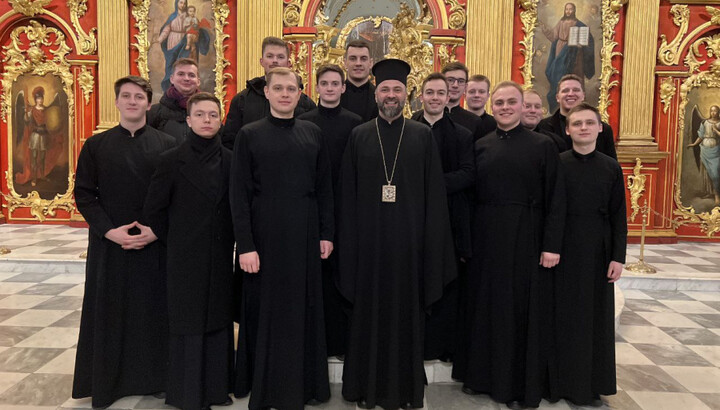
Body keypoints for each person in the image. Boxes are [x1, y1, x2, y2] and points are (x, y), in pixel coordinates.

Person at [338, 59, 456, 409]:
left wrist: (432, 247)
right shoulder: (359, 135)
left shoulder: (421, 136)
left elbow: (435, 196)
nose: (391, 95)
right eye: (386, 89)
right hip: (369, 250)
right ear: (376, 94)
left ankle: (405, 391)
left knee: (407, 319)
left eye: (398, 90)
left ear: (408, 96)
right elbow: (347, 196)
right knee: (368, 318)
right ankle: (365, 389)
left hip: (410, 249)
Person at [453, 81, 565, 410]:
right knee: (486, 306)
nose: (504, 107)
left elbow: (555, 198)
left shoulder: (543, 145)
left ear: (521, 105)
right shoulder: (481, 144)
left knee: (520, 311)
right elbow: (470, 196)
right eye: (499, 102)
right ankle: (481, 377)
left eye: (510, 102)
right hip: (487, 237)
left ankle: (516, 384)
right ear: (491, 105)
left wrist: (551, 245)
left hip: (527, 237)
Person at [231, 67, 333, 410]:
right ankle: (265, 384)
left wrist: (326, 234)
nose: (286, 94)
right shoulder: (249, 134)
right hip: (264, 233)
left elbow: (324, 189)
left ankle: (303, 385)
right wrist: (245, 245)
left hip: (304, 232)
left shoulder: (313, 133)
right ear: (269, 93)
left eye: (292, 88)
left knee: (301, 306)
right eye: (279, 88)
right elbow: (239, 195)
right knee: (265, 308)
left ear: (301, 94)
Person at [72, 76, 176, 408]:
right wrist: (108, 231)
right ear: (116, 102)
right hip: (110, 245)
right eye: (126, 96)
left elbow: (177, 197)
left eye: (139, 97)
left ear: (149, 103)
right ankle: (108, 383)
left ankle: (156, 378)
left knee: (153, 311)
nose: (132, 102)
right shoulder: (96, 146)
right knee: (110, 311)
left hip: (153, 242)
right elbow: (85, 195)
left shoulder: (167, 145)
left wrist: (156, 230)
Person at [143, 92, 234, 410]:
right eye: (201, 115)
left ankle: (216, 389)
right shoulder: (170, 160)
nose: (208, 120)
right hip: (183, 257)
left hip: (220, 254)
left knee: (217, 317)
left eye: (213, 115)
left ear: (220, 120)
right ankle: (186, 393)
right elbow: (154, 210)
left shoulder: (231, 160)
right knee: (188, 321)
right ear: (189, 119)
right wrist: (178, 240)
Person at [549, 103, 626, 406]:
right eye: (576, 123)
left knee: (594, 321)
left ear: (599, 128)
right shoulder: (558, 163)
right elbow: (551, 211)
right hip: (564, 249)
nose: (583, 128)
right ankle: (559, 383)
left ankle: (590, 385)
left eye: (588, 123)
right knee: (564, 317)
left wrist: (618, 257)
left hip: (598, 250)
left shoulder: (611, 167)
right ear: (567, 130)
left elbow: (619, 216)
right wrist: (550, 247)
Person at [298, 64, 363, 358]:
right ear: (317, 87)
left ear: (343, 88)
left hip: (347, 205)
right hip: (311, 206)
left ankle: (342, 340)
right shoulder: (304, 122)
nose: (330, 88)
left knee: (343, 270)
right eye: (324, 83)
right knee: (317, 274)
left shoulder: (356, 123)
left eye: (335, 83)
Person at [411, 72, 474, 363]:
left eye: (441, 93)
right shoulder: (407, 129)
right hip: (412, 218)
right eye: (430, 92)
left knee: (446, 280)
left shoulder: (462, 134)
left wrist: (431, 186)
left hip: (450, 219)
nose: (435, 98)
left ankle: (442, 345)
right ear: (421, 96)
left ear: (450, 96)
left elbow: (467, 173)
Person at [222, 36, 316, 149]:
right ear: (261, 61)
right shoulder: (242, 100)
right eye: (270, 56)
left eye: (280, 57)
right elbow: (230, 143)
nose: (275, 60)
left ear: (288, 62)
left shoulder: (305, 103)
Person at [538, 74, 616, 159]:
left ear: (583, 95)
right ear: (557, 97)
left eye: (576, 90)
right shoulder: (542, 127)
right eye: (565, 90)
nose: (571, 94)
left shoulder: (603, 129)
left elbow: (610, 163)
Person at [541, 2, 595, 112]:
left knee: (575, 74)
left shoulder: (580, 25)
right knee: (559, 74)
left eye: (571, 9)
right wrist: (546, 30)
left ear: (574, 11)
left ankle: (577, 104)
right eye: (567, 9)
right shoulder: (561, 22)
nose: (568, 11)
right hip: (561, 49)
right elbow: (554, 36)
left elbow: (588, 40)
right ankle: (560, 103)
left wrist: (582, 45)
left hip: (576, 54)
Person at [157, 0, 210, 92]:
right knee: (172, 64)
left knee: (187, 64)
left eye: (185, 3)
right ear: (176, 3)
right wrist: (160, 39)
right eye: (181, 2)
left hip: (186, 41)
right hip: (173, 41)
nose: (183, 5)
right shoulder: (173, 17)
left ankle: (189, 89)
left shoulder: (189, 16)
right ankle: (172, 88)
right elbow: (167, 29)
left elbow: (196, 28)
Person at [147, 58, 201, 143]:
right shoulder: (154, 112)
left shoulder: (208, 112)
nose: (186, 78)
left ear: (198, 81)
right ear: (172, 79)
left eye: (191, 75)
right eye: (181, 74)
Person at [441, 62, 487, 141]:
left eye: (461, 81)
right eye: (450, 80)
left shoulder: (475, 121)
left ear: (466, 86)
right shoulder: (421, 117)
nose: (455, 85)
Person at [688, 105, 720, 205]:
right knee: (706, 173)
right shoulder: (705, 122)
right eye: (712, 111)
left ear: (718, 112)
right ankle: (709, 192)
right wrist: (694, 144)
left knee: (715, 174)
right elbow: (701, 136)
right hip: (705, 150)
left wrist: (716, 131)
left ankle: (717, 195)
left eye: (715, 111)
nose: (713, 113)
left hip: (716, 151)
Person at [340, 39, 379, 122]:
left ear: (371, 63)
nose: (358, 63)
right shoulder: (335, 95)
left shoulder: (380, 96)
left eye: (363, 59)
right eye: (353, 58)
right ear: (345, 63)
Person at [465, 74, 497, 139]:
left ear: (488, 95)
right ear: (465, 94)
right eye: (472, 92)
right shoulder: (455, 122)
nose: (476, 95)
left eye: (481, 92)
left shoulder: (496, 124)